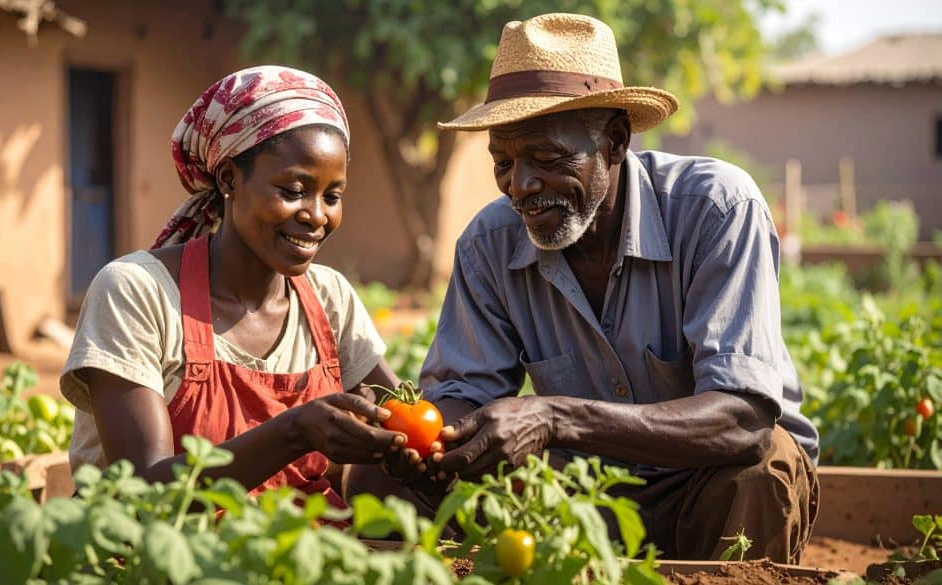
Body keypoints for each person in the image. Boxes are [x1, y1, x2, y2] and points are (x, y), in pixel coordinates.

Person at [420, 13, 819, 563]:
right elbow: (462, 395)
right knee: (385, 480)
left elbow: (744, 421)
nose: (521, 185)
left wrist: (554, 417)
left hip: (710, 483)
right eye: (503, 163)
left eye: (546, 158)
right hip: (583, 493)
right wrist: (415, 432)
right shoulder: (488, 244)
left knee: (762, 464)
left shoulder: (715, 209)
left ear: (615, 141)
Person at [60, 66, 413, 508]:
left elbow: (401, 414)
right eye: (294, 190)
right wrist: (294, 431)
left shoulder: (329, 297)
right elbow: (145, 491)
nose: (317, 215)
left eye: (332, 196)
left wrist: (419, 447)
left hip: (301, 543)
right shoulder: (137, 292)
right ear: (228, 179)